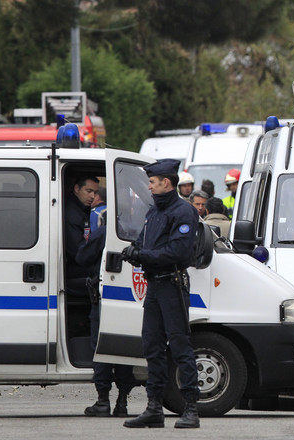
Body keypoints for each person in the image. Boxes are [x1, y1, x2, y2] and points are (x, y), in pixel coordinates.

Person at [121, 158, 200, 429]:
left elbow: (177, 252)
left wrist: (143, 254)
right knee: (152, 347)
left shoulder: (183, 212)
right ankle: (154, 407)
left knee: (179, 346)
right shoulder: (154, 213)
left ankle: (191, 408)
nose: (150, 188)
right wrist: (134, 252)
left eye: (153, 183)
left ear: (166, 182)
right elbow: (145, 242)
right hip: (155, 285)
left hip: (173, 285)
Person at [76, 223, 136, 418]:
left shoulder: (103, 232)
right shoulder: (135, 232)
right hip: (128, 297)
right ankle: (122, 401)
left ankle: (103, 400)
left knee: (101, 349)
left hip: (102, 297)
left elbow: (82, 257)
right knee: (123, 348)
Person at [65, 175, 100, 296]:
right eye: (88, 191)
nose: (92, 196)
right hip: (71, 266)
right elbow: (79, 253)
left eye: (95, 192)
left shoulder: (81, 210)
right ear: (76, 188)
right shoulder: (72, 214)